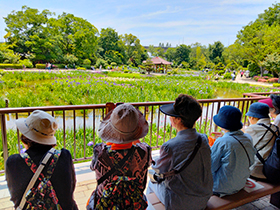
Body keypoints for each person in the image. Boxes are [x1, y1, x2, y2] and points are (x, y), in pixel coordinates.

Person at [146, 94, 213, 210]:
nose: (170, 118)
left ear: (178, 119)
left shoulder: (170, 146)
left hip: (181, 203)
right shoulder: (203, 139)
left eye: (172, 115)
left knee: (151, 181)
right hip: (203, 198)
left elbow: (158, 170)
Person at [5, 110, 78, 209]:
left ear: (26, 136)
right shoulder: (64, 156)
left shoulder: (13, 162)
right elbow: (70, 189)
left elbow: (15, 198)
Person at [87, 104, 151, 209]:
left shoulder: (99, 151)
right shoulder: (145, 151)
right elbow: (138, 146)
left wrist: (116, 134)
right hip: (133, 204)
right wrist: (130, 134)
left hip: (106, 204)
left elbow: (93, 166)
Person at [211, 106, 255, 196]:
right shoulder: (247, 138)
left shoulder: (222, 142)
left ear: (222, 125)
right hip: (240, 183)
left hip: (221, 187)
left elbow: (211, 167)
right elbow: (252, 161)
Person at [245, 102, 277, 180]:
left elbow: (241, 147)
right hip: (272, 169)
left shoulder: (252, 129)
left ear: (252, 117)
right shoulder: (275, 128)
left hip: (256, 171)